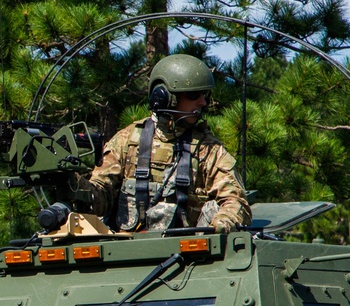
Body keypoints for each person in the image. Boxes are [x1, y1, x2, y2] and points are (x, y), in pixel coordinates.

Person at [83, 54, 251, 233]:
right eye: (194, 95)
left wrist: (221, 223)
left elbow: (236, 202)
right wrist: (76, 187)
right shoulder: (127, 141)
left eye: (205, 95)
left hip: (189, 254)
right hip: (127, 252)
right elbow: (99, 197)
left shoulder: (208, 150)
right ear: (165, 97)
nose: (202, 102)